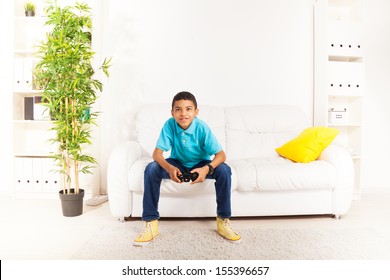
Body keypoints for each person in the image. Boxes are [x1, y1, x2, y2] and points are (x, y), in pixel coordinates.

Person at [133, 91, 241, 246]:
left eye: (188, 109)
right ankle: (151, 223)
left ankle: (223, 220)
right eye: (178, 109)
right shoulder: (169, 125)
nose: (183, 113)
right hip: (177, 162)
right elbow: (157, 154)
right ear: (172, 112)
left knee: (224, 170)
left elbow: (221, 156)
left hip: (200, 163)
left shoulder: (202, 128)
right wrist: (170, 168)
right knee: (151, 168)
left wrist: (206, 169)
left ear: (196, 112)